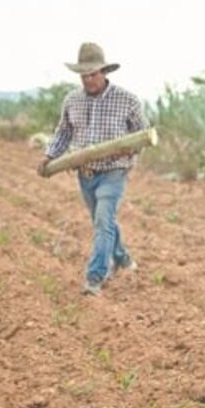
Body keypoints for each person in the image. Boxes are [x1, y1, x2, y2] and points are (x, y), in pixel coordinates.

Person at [37, 42, 149, 297]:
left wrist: (129, 149)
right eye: (84, 75)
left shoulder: (127, 100)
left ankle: (95, 278)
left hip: (114, 172)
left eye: (93, 74)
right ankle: (122, 257)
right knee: (103, 222)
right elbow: (63, 132)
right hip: (85, 174)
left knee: (102, 220)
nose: (88, 79)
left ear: (104, 72)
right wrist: (49, 155)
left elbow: (143, 134)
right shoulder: (72, 100)